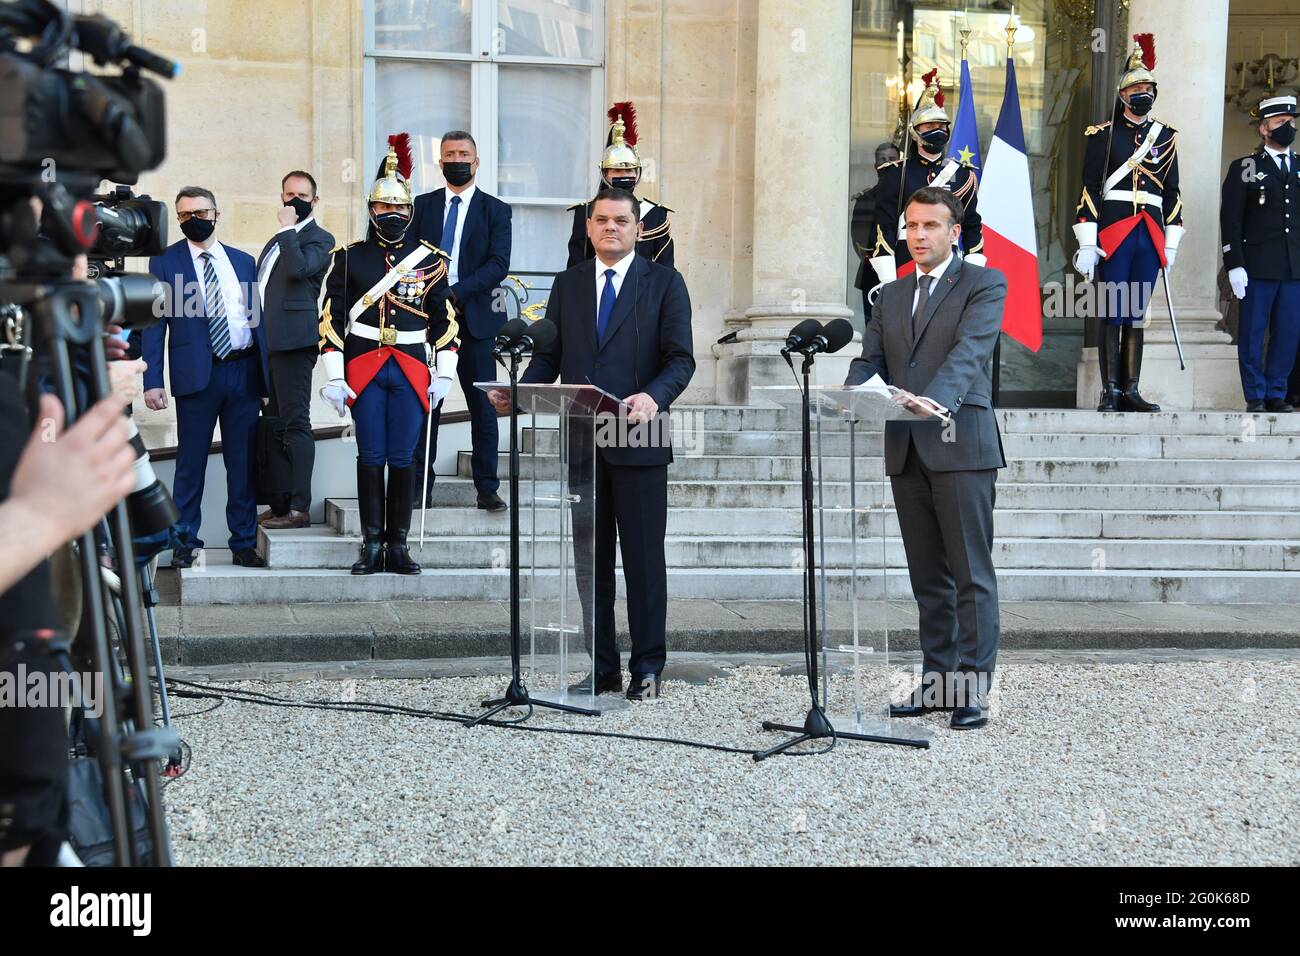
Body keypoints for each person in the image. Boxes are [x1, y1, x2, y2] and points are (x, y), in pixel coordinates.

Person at [489, 188, 694, 701]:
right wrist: (519, 393)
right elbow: (548, 355)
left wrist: (654, 395)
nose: (611, 228)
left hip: (639, 434)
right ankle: (601, 667)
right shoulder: (569, 284)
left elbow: (681, 359)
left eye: (621, 220)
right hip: (582, 440)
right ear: (588, 227)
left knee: (644, 560)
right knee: (591, 561)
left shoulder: (665, 283)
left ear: (638, 227)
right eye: (601, 220)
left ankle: (647, 667)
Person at [844, 186, 1007, 730]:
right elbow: (869, 360)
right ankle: (939, 683)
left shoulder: (983, 284)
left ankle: (973, 689)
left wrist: (934, 400)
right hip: (906, 448)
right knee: (927, 578)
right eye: (911, 225)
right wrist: (850, 397)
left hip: (959, 441)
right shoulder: (890, 294)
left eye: (930, 226)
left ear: (954, 232)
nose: (917, 235)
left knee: (969, 573)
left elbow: (970, 352)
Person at [319, 139, 460, 575]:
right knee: (370, 456)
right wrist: (332, 375)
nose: (392, 215)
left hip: (413, 367)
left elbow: (446, 320)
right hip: (363, 364)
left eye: (399, 208)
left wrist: (447, 373)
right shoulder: (348, 259)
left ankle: (398, 545)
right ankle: (371, 545)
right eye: (384, 209)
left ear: (411, 211)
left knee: (403, 456)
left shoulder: (430, 260)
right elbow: (330, 319)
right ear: (371, 210)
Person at [142, 186, 268, 568]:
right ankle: (185, 543)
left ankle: (243, 542)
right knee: (190, 464)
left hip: (243, 372)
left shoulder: (244, 262)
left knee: (242, 465)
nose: (194, 219)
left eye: (200, 212)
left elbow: (258, 323)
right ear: (179, 221)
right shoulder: (165, 262)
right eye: (185, 215)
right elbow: (152, 325)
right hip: (196, 376)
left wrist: (265, 383)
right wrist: (152, 380)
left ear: (216, 213)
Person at [1073, 33, 1183, 413]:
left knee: (1136, 314)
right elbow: (1088, 190)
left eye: (1147, 87)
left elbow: (1173, 193)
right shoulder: (1103, 135)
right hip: (1114, 233)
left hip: (1149, 234)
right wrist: (1088, 241)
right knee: (1112, 312)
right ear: (1122, 94)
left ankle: (1132, 389)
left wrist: (1171, 242)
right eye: (1135, 87)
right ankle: (1112, 391)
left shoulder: (1165, 137)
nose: (1143, 93)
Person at [410, 130, 513, 511]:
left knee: (482, 407)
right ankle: (420, 488)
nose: (457, 159)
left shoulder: (496, 210)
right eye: (450, 154)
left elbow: (498, 265)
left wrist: (456, 292)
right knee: (426, 405)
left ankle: (487, 487)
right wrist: (434, 295)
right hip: (426, 321)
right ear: (440, 162)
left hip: (476, 323)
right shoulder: (421, 206)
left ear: (477, 161)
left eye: (464, 153)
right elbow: (409, 257)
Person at [255, 170, 336, 527]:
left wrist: (288, 229)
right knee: (271, 425)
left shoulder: (320, 238)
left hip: (294, 344)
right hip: (265, 344)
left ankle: (300, 507)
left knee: (295, 422)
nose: (294, 201)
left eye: (302, 195)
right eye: (288, 194)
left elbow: (299, 269)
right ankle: (279, 501)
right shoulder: (276, 241)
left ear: (314, 201)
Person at [866, 73, 983, 306]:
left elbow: (971, 225)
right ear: (916, 133)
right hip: (905, 259)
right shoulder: (896, 173)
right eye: (929, 126)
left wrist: (974, 273)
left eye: (941, 126)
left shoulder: (963, 175)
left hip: (948, 263)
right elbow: (885, 225)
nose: (936, 130)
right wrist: (889, 278)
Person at [1221, 94, 1300, 413]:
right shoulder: (1246, 167)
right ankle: (1255, 394)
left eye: (1291, 122)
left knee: (1288, 333)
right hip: (1256, 266)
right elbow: (1231, 219)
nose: (1288, 128)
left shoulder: (1299, 168)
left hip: (1294, 268)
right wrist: (1234, 264)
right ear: (1264, 129)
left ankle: (1276, 392)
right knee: (1253, 331)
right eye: (1281, 123)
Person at [566, 102, 675, 269]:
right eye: (616, 170)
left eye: (629, 170)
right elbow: (576, 266)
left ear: (637, 172)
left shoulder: (656, 214)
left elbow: (666, 270)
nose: (623, 176)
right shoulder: (586, 212)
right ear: (605, 173)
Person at [851, 142, 901, 314]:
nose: (887, 163)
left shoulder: (911, 196)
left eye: (892, 159)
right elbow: (860, 240)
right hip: (874, 271)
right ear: (875, 165)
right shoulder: (866, 199)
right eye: (883, 159)